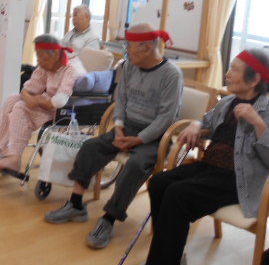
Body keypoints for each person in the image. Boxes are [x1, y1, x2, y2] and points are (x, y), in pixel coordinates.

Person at [143, 48, 269, 265]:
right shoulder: (227, 102)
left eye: (234, 70)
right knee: (159, 182)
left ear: (254, 79)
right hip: (210, 168)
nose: (227, 74)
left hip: (239, 179)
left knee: (177, 194)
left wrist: (259, 124)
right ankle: (170, 252)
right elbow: (207, 120)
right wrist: (196, 124)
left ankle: (164, 259)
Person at [44, 23, 183, 250]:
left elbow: (166, 118)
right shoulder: (128, 66)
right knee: (90, 147)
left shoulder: (171, 75)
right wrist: (118, 128)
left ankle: (109, 219)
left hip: (156, 137)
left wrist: (139, 139)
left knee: (135, 165)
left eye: (130, 46)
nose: (126, 51)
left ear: (147, 47)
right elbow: (121, 101)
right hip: (126, 128)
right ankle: (76, 205)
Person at [0, 34, 83, 172]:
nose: (39, 61)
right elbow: (27, 89)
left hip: (63, 110)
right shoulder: (48, 64)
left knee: (20, 107)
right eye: (37, 56)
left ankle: (14, 158)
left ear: (54, 54)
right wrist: (28, 97)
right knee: (12, 99)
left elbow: (59, 101)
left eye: (41, 57)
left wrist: (37, 100)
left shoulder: (70, 69)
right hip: (46, 102)